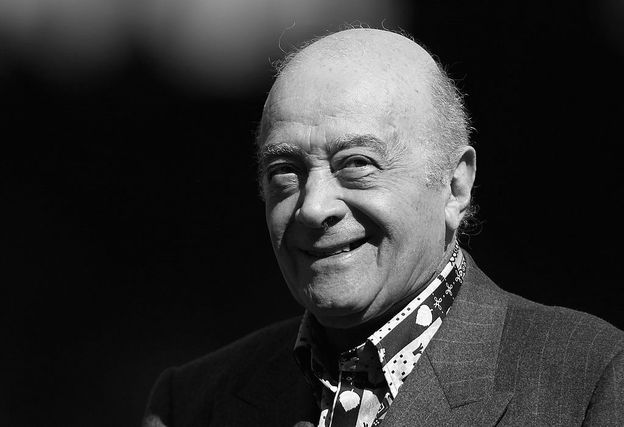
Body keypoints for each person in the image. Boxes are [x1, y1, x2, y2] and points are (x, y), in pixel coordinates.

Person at [143, 28, 624, 427]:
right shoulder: (191, 406)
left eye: (357, 164)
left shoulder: (591, 381)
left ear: (455, 185)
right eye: (285, 172)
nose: (313, 207)